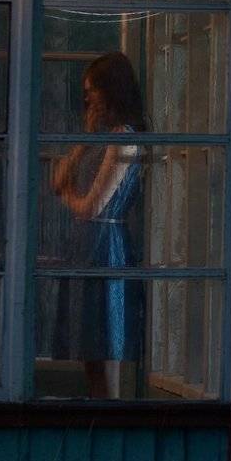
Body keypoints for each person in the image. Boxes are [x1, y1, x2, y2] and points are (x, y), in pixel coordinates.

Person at [50, 52, 146, 399]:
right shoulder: (105, 138)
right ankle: (97, 406)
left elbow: (91, 206)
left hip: (106, 245)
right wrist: (86, 138)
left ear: (110, 90)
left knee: (106, 342)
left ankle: (109, 410)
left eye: (92, 90)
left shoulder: (125, 140)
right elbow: (58, 177)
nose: (88, 99)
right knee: (88, 345)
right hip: (87, 245)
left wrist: (67, 196)